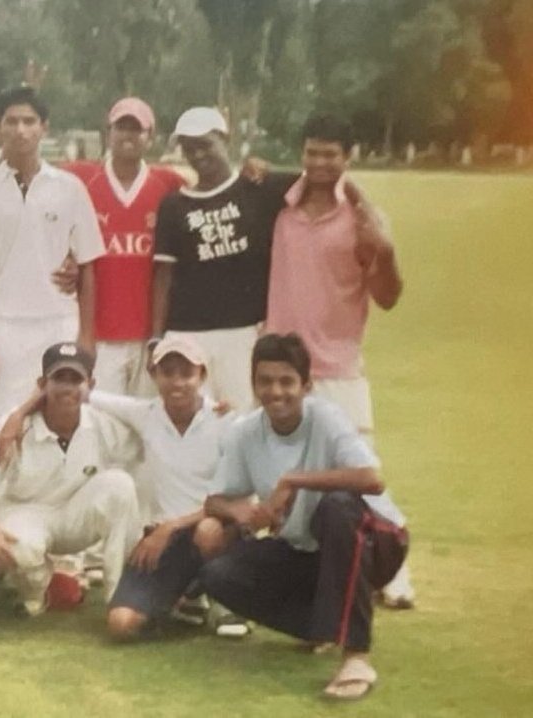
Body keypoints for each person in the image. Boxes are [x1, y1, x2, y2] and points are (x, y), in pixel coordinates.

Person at [199, 333, 409, 701]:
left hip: (381, 540)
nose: (275, 392)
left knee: (337, 506)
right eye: (265, 381)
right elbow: (214, 501)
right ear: (253, 383)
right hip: (309, 550)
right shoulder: (244, 434)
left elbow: (372, 480)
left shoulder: (326, 418)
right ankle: (320, 627)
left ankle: (357, 656)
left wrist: (293, 479)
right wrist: (242, 511)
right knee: (218, 574)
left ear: (307, 385)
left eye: (286, 381)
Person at [264, 113, 414, 610]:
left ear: (348, 158)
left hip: (338, 366)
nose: (320, 163)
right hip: (285, 369)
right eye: (312, 152)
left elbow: (389, 296)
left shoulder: (361, 219)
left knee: (361, 473)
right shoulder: (280, 208)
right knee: (290, 470)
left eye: (331, 154)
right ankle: (311, 563)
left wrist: (386, 251)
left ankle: (394, 572)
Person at [0, 342, 143, 616]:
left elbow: (151, 422)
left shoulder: (103, 423)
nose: (67, 387)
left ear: (90, 384)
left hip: (74, 517)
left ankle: (119, 596)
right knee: (22, 550)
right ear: (42, 383)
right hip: (24, 514)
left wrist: (213, 414)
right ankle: (38, 591)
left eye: (76, 379)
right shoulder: (9, 429)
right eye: (59, 378)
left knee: (120, 485)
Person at [81, 336, 242, 639]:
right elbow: (82, 392)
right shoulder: (146, 413)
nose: (177, 383)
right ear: (154, 375)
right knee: (121, 625)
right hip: (162, 542)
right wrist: (20, 415)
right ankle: (186, 598)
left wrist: (170, 527)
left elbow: (238, 502)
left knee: (208, 531)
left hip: (212, 530)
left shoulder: (226, 420)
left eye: (186, 373)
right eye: (168, 373)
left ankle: (225, 603)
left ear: (202, 376)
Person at [0, 86, 105, 429]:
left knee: (62, 420)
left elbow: (88, 265)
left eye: (29, 121)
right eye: (11, 121)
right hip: (7, 327)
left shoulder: (69, 187)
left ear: (44, 127)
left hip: (59, 322)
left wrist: (86, 336)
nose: (20, 130)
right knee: (2, 424)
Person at [151, 107, 297, 410]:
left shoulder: (258, 188)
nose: (198, 154)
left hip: (242, 332)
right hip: (187, 332)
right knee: (190, 422)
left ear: (225, 139)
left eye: (205, 144)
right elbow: (163, 277)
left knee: (240, 420)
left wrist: (367, 213)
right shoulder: (174, 205)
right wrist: (157, 336)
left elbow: (321, 181)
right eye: (189, 148)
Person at [66, 97, 186, 396]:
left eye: (137, 129)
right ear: (109, 133)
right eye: (121, 128)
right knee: (105, 424)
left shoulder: (168, 183)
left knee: (147, 425)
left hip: (151, 336)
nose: (128, 136)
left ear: (151, 138)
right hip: (100, 336)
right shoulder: (82, 178)